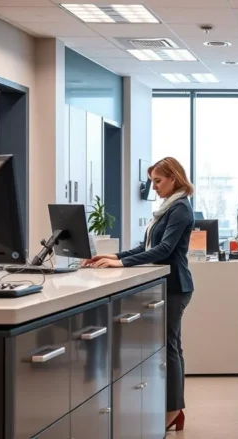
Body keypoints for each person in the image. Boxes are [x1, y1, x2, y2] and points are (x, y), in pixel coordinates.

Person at [83, 157, 195, 430]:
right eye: (152, 181)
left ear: (174, 179)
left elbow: (165, 250)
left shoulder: (180, 208)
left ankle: (173, 410)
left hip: (176, 285)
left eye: (158, 181)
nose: (153, 187)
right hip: (168, 283)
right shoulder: (168, 208)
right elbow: (146, 246)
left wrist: (120, 264)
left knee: (170, 348)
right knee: (172, 346)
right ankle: (175, 409)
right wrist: (115, 255)